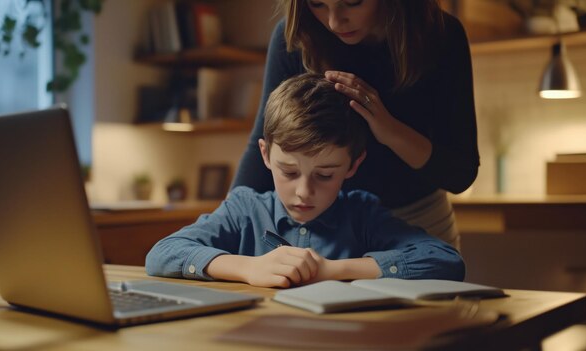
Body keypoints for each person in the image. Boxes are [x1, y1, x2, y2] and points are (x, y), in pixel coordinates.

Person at [146, 73, 464, 288]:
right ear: (266, 154)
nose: (304, 192)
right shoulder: (244, 209)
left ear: (353, 165)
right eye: (289, 171)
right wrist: (247, 268)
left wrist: (331, 270)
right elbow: (163, 253)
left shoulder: (361, 214)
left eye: (325, 175)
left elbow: (445, 261)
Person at [231, 0, 479, 250]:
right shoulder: (296, 37)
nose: (334, 22)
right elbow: (263, 143)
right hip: (324, 233)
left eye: (352, 3)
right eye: (317, 4)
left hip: (416, 226)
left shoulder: (441, 36)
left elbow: (459, 174)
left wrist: (389, 129)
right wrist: (227, 226)